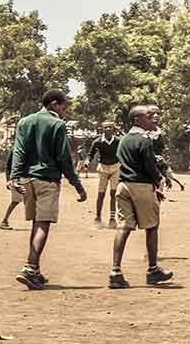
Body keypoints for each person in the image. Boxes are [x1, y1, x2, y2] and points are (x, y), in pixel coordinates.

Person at [9, 88, 88, 289]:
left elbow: (18, 151)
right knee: (43, 224)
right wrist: (77, 185)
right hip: (47, 180)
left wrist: (14, 176)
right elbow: (64, 158)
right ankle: (30, 267)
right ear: (54, 104)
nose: (65, 110)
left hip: (28, 180)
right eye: (64, 106)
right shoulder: (57, 124)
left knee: (36, 224)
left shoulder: (24, 121)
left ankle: (34, 269)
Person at [108, 105, 174, 288]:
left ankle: (115, 271)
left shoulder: (123, 140)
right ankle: (153, 270)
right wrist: (159, 179)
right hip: (141, 186)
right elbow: (148, 167)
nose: (151, 118)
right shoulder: (144, 140)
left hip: (123, 186)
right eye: (147, 116)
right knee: (152, 226)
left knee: (123, 227)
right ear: (137, 119)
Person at [88, 121, 122, 226]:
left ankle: (112, 219)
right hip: (103, 168)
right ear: (102, 129)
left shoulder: (118, 141)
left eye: (110, 127)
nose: (108, 129)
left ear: (114, 129)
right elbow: (91, 154)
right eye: (106, 127)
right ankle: (98, 217)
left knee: (113, 193)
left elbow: (123, 153)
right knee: (101, 193)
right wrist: (87, 161)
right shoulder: (98, 142)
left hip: (116, 167)